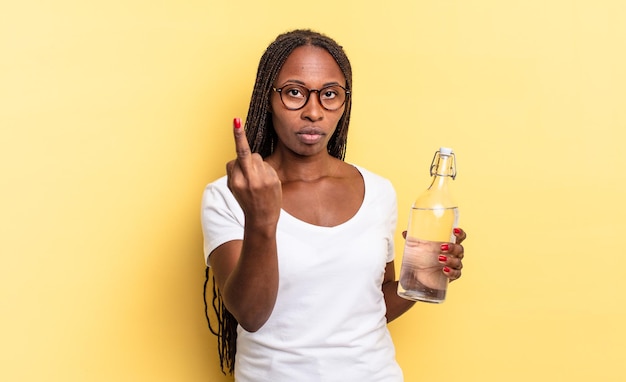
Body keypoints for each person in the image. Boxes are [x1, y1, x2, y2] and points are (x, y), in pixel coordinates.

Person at [201, 29, 467, 381]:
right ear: (269, 97)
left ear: (345, 102)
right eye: (295, 93)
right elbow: (250, 314)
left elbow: (372, 306)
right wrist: (262, 218)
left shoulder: (378, 191)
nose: (313, 112)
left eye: (329, 95)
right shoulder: (229, 194)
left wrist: (426, 275)